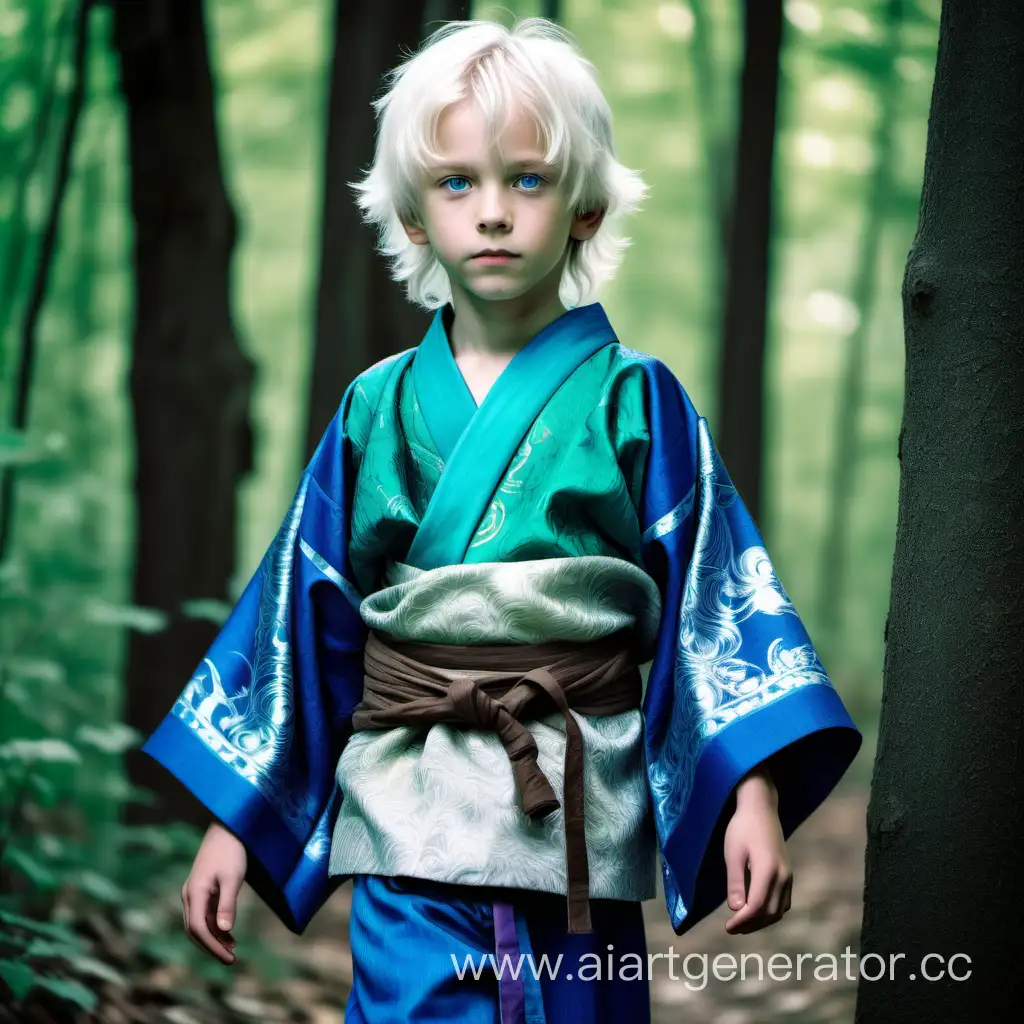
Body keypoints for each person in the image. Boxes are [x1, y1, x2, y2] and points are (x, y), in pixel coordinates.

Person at [143, 16, 861, 1023]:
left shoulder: (635, 402)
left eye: (526, 180)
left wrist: (752, 792)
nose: (491, 212)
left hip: (578, 811)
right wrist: (235, 820)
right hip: (409, 813)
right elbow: (302, 620)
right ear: (408, 216)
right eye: (456, 183)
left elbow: (715, 601)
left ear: (584, 206)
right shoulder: (373, 408)